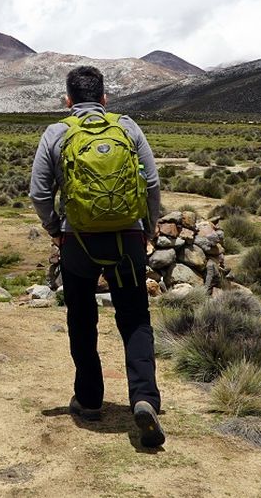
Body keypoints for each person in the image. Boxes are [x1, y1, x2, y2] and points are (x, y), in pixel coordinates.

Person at [29, 66, 165, 448]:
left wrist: (55, 229)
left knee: (82, 317)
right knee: (135, 316)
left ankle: (89, 400)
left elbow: (39, 193)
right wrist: (148, 228)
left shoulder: (56, 133)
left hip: (79, 241)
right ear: (105, 99)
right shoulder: (127, 128)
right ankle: (143, 398)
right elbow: (151, 183)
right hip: (127, 238)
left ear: (67, 100)